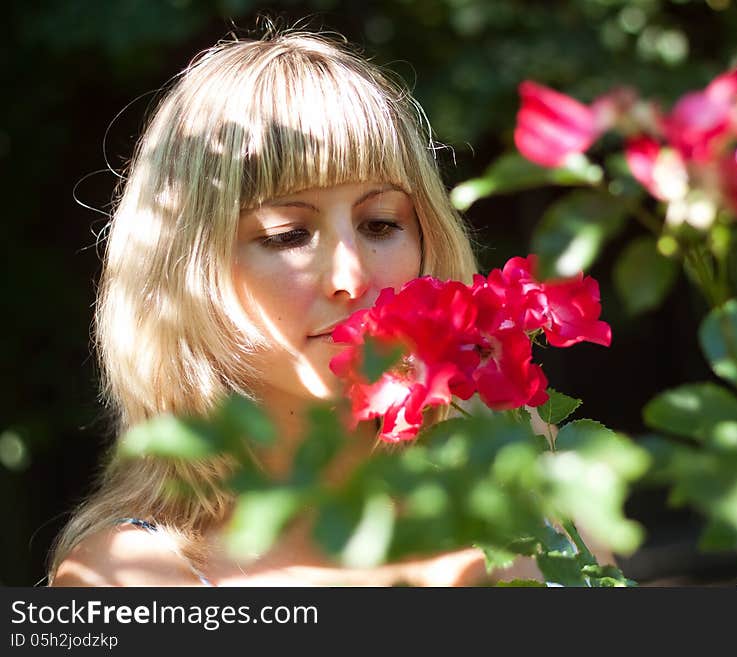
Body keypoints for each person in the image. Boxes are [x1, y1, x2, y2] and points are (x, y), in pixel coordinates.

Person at [48, 29, 545, 586]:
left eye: (380, 224)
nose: (350, 278)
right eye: (287, 235)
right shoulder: (129, 581)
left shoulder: (526, 465)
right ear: (187, 272)